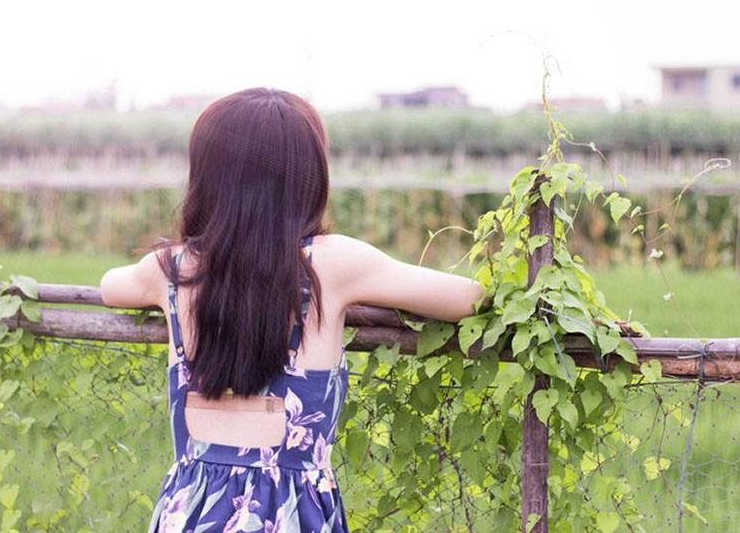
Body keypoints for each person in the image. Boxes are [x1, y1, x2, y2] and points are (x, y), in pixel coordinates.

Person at [99, 88, 486, 532]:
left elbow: (110, 286)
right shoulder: (332, 265)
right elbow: (471, 298)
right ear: (307, 177)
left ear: (206, 177)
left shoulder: (172, 269)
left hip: (188, 516)